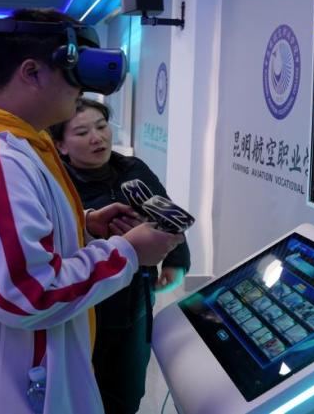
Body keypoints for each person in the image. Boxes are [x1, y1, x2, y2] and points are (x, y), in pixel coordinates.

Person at [0, 8, 183, 413]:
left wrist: (83, 227)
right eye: (73, 73)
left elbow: (14, 242)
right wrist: (130, 252)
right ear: (31, 72)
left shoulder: (18, 147)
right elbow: (28, 294)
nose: (81, 90)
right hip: (6, 397)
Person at [51, 98, 191, 414]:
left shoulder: (133, 169)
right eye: (82, 132)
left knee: (127, 390)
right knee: (85, 390)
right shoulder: (57, 184)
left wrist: (175, 261)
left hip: (134, 298)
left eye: (102, 126)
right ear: (60, 145)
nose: (97, 138)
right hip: (85, 305)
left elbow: (169, 214)